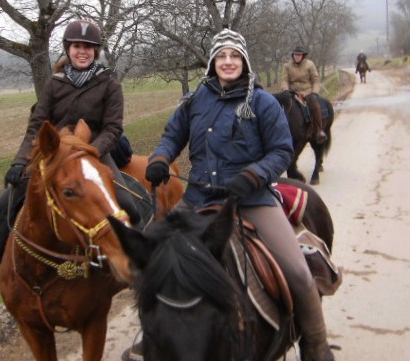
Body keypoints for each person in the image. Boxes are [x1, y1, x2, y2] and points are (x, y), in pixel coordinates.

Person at [141, 29, 335, 361]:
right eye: (221, 56)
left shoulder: (262, 102)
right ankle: (156, 337)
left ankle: (317, 346)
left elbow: (280, 150)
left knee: (299, 274)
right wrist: (160, 159)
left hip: (251, 200)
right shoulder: (193, 101)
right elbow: (173, 135)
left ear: (243, 61)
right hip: (198, 199)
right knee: (149, 259)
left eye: (234, 56)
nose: (228, 61)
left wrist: (253, 176)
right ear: (213, 63)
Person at [0, 19, 142, 231]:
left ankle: (134, 257)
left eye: (88, 47)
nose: (82, 52)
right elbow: (37, 125)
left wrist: (90, 151)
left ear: (95, 51)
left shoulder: (109, 84)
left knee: (128, 205)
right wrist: (20, 162)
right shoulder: (54, 83)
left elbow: (113, 128)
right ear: (68, 49)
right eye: (77, 46)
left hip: (94, 152)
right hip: (55, 154)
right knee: (4, 205)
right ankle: (5, 259)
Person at [281, 45, 328, 144]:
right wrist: (285, 90)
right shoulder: (287, 66)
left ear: (303, 56)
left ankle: (319, 130)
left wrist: (315, 92)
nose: (297, 57)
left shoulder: (310, 64)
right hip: (292, 91)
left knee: (314, 104)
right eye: (295, 55)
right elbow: (284, 80)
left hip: (307, 91)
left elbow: (315, 80)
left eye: (299, 55)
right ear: (293, 55)